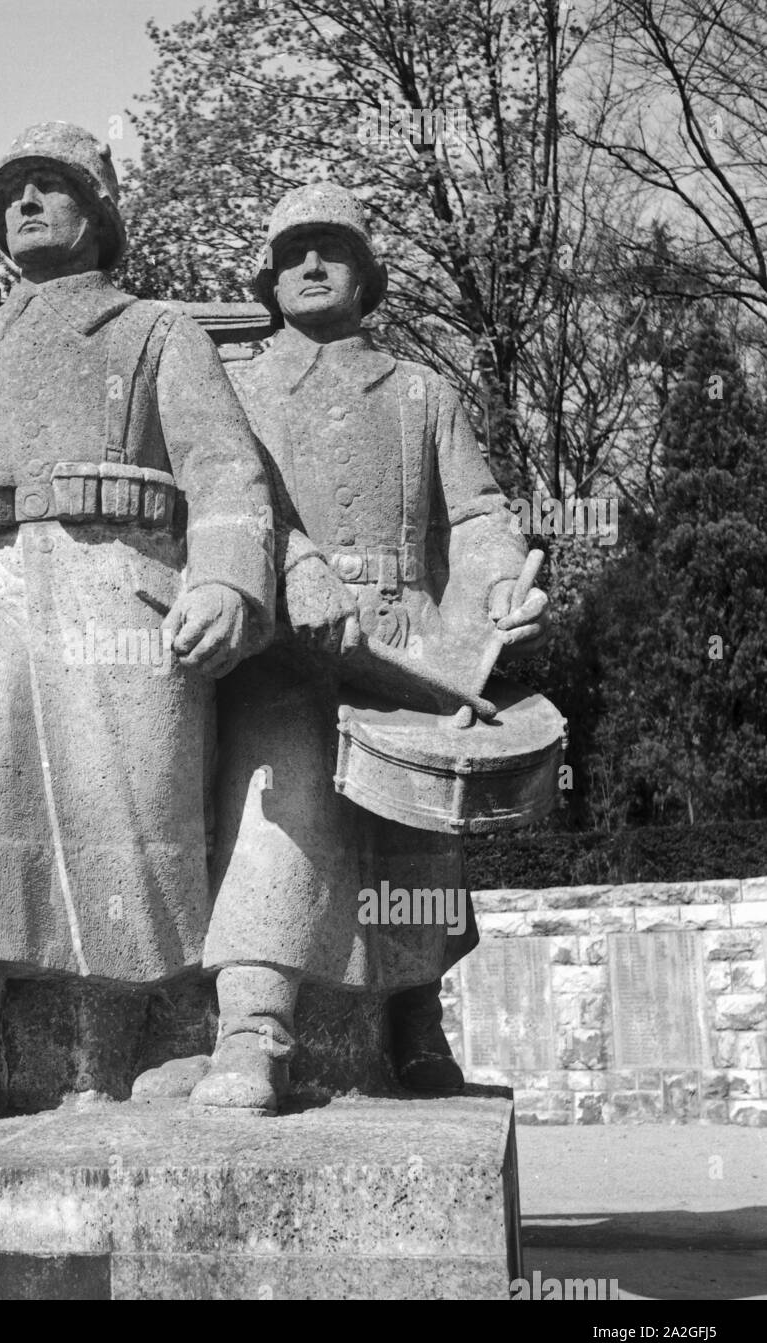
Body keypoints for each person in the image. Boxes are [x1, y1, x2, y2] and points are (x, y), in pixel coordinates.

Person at [0, 123, 276, 1134]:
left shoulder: (156, 327)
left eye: (51, 186)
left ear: (99, 211)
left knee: (128, 809)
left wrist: (225, 579)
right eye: (12, 193)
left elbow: (222, 470)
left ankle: (156, 1027)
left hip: (121, 582)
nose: (27, 204)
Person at [185, 184, 548, 1113]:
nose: (310, 266)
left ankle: (414, 1015)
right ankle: (253, 1027)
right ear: (269, 279)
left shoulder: (422, 390)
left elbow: (475, 513)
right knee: (281, 819)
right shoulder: (232, 384)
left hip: (408, 642)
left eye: (331, 251)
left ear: (366, 277)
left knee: (413, 845)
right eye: (294, 252)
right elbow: (225, 502)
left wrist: (500, 585)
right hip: (284, 645)